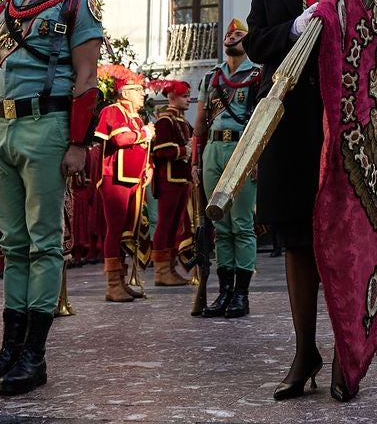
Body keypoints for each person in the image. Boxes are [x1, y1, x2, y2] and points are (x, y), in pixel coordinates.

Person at [0, 0, 104, 396]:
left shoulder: (75, 3)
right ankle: (8, 349)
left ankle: (33, 354)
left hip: (47, 125)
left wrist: (79, 143)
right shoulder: (6, 7)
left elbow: (87, 77)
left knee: (43, 241)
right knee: (13, 244)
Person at [242, 0, 337, 399]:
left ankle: (346, 350)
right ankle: (305, 351)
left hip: (337, 120)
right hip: (288, 125)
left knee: (339, 239)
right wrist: (295, 28)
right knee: (298, 241)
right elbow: (256, 44)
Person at [194, 19, 261, 318]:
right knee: (219, 226)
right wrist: (196, 159)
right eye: (228, 34)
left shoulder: (258, 74)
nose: (231, 36)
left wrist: (258, 158)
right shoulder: (212, 77)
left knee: (241, 224)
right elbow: (200, 122)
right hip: (213, 150)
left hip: (242, 149)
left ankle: (241, 295)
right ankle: (223, 292)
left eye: (238, 34)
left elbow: (263, 121)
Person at [93, 65, 151, 303]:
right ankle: (112, 284)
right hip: (114, 178)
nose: (142, 94)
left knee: (128, 230)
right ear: (125, 92)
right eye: (138, 90)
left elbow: (141, 149)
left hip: (133, 178)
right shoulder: (113, 110)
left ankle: (123, 280)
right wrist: (144, 134)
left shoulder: (137, 117)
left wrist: (149, 167)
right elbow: (120, 139)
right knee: (115, 230)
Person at [147, 79, 193, 288]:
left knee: (175, 225)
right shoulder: (165, 121)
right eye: (184, 96)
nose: (189, 100)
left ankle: (171, 269)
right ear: (172, 97)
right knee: (165, 224)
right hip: (169, 180)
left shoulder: (182, 121)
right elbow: (161, 151)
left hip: (182, 179)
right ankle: (161, 271)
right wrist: (183, 151)